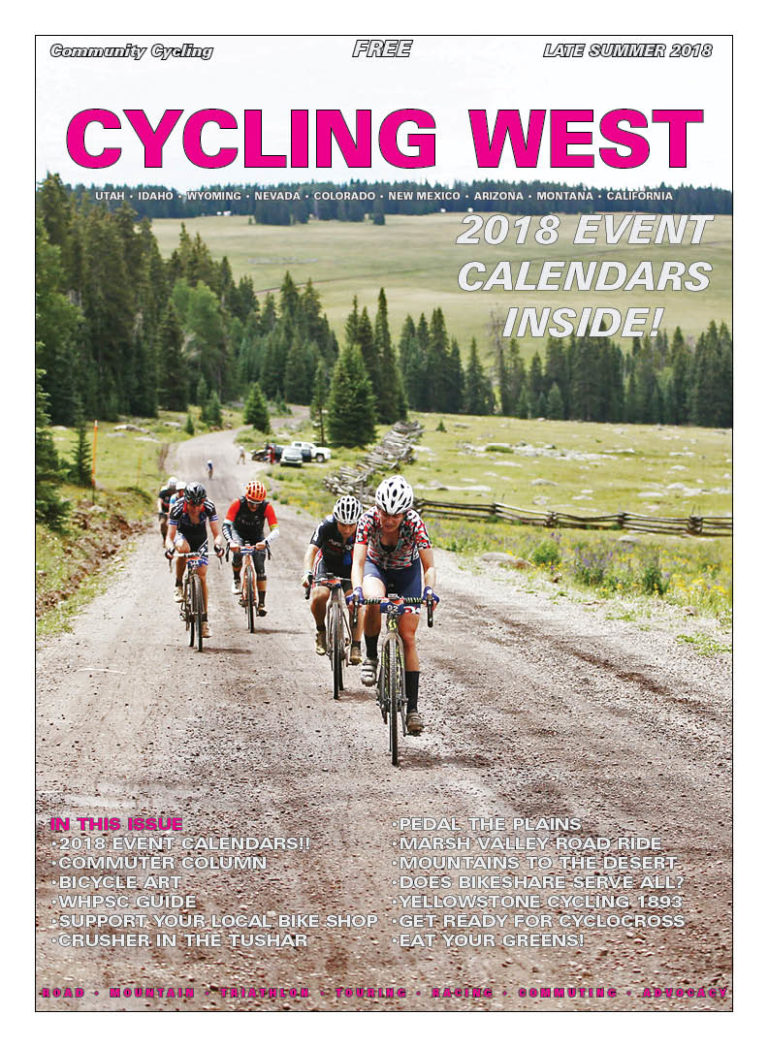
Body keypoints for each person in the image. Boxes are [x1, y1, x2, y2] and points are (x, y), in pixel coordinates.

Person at [349, 476, 438, 735]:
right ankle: (371, 656)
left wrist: (429, 590)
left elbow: (429, 566)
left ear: (405, 514)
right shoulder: (367, 520)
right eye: (384, 513)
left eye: (395, 516)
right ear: (377, 508)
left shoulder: (415, 523)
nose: (388, 520)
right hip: (375, 567)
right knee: (373, 600)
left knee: (408, 637)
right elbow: (358, 562)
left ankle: (413, 710)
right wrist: (357, 589)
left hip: (406, 573)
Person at [302, 495, 364, 662]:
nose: (347, 530)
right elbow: (311, 550)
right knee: (319, 595)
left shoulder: (363, 529)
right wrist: (307, 572)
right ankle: (321, 631)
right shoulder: (326, 525)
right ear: (336, 520)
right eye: (343, 525)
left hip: (351, 568)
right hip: (327, 564)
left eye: (351, 525)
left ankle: (356, 645)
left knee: (356, 602)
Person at [165, 481, 224, 638]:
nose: (196, 508)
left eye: (199, 504)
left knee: (202, 577)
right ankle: (178, 584)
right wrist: (170, 549)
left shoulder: (209, 506)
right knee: (184, 549)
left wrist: (218, 546)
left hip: (200, 539)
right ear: (186, 500)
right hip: (182, 536)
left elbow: (216, 535)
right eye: (192, 504)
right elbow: (169, 537)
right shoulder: (177, 507)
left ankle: (204, 621)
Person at [222, 480, 279, 615]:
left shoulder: (267, 507)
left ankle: (262, 604)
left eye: (257, 503)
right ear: (246, 498)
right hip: (238, 533)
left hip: (257, 535)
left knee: (260, 566)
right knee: (237, 552)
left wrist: (266, 542)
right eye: (251, 502)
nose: (254, 506)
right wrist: (231, 542)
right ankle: (236, 578)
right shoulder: (237, 503)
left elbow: (276, 530)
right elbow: (226, 525)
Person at [157, 476, 177, 543]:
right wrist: (160, 510)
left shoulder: (178, 494)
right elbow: (159, 501)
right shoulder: (163, 492)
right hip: (164, 511)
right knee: (163, 524)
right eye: (170, 490)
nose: (171, 492)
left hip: (174, 512)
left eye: (173, 490)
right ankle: (164, 538)